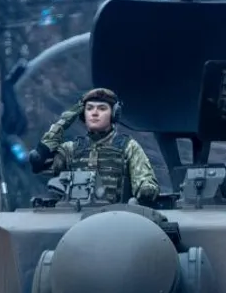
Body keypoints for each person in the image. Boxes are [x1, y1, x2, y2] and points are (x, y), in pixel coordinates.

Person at [29, 88, 160, 205]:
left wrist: (146, 189)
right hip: (75, 219)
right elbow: (40, 160)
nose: (94, 113)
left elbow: (144, 181)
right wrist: (64, 121)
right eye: (89, 108)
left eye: (102, 108)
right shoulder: (71, 149)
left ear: (114, 114)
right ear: (82, 114)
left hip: (115, 219)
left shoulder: (127, 146)